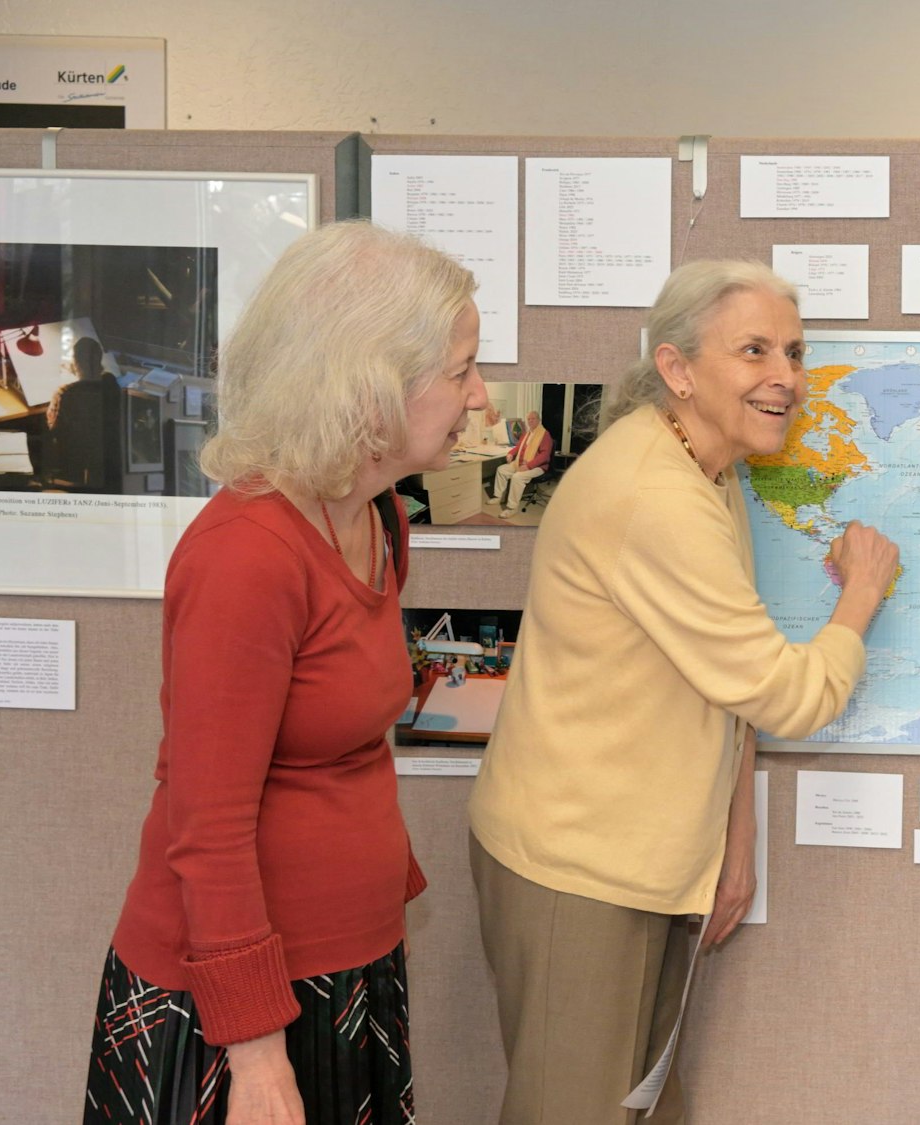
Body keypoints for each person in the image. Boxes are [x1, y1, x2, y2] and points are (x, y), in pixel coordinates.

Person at [467, 259, 900, 1125]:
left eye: (793, 350)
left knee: (640, 1108)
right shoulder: (652, 494)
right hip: (578, 869)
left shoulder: (710, 470)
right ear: (678, 370)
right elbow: (786, 693)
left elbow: (724, 686)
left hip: (648, 861)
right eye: (753, 350)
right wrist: (863, 591)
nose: (786, 375)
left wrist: (733, 839)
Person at [83, 220, 487, 1124]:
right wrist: (259, 1055)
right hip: (238, 1008)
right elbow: (209, 824)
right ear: (372, 381)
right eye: (461, 370)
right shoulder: (246, 554)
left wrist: (382, 914)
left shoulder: (380, 519)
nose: (481, 396)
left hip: (345, 969)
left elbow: (348, 756)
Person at [44, 334, 120, 490]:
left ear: (74, 363)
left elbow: (53, 428)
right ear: (100, 360)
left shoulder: (64, 393)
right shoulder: (112, 386)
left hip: (74, 461)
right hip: (107, 456)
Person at [492, 408, 553, 516]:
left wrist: (529, 466)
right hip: (520, 463)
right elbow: (518, 447)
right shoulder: (527, 434)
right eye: (528, 419)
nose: (530, 421)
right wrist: (510, 453)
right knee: (501, 470)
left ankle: (512, 508)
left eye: (533, 419)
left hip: (538, 467)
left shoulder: (545, 434)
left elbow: (544, 456)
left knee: (517, 477)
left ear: (539, 420)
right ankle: (498, 496)